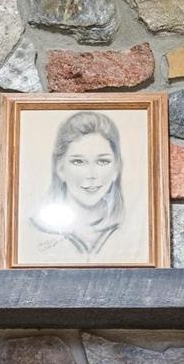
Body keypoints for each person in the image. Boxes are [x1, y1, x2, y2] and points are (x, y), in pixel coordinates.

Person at [29, 111, 126, 260]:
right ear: (60, 168)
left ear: (116, 169)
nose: (91, 174)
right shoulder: (31, 231)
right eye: (78, 162)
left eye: (102, 161)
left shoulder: (131, 230)